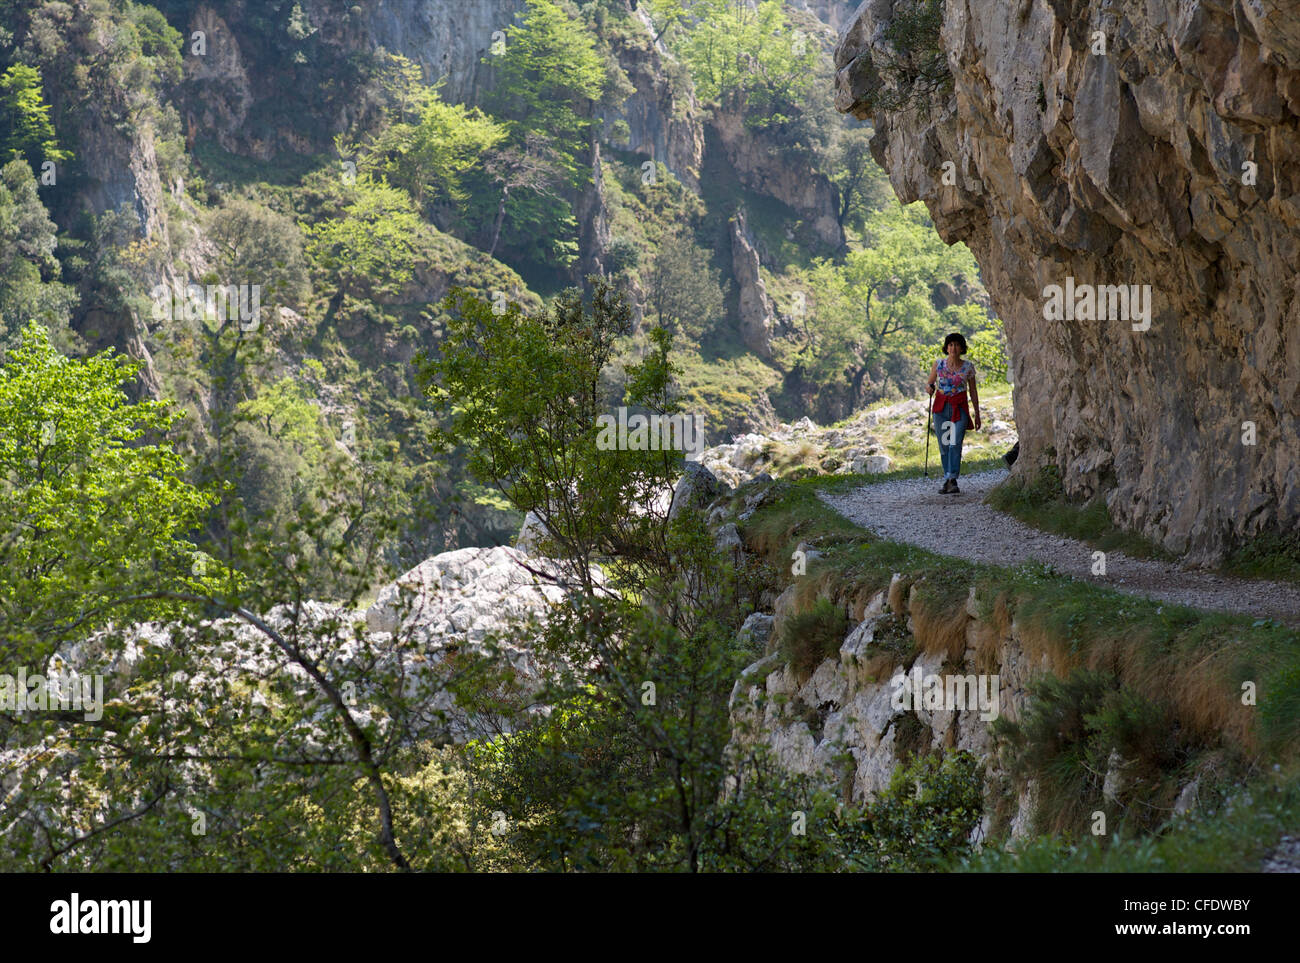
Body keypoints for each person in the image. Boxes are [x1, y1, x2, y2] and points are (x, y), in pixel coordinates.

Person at [926, 333, 980, 494]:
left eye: (956, 345)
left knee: (955, 443)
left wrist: (977, 413)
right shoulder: (938, 364)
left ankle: (952, 478)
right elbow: (929, 383)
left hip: (960, 408)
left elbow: (973, 391)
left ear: (962, 348)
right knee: (944, 445)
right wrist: (929, 388)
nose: (953, 348)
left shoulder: (968, 367)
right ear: (946, 347)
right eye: (950, 345)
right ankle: (948, 478)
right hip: (941, 409)